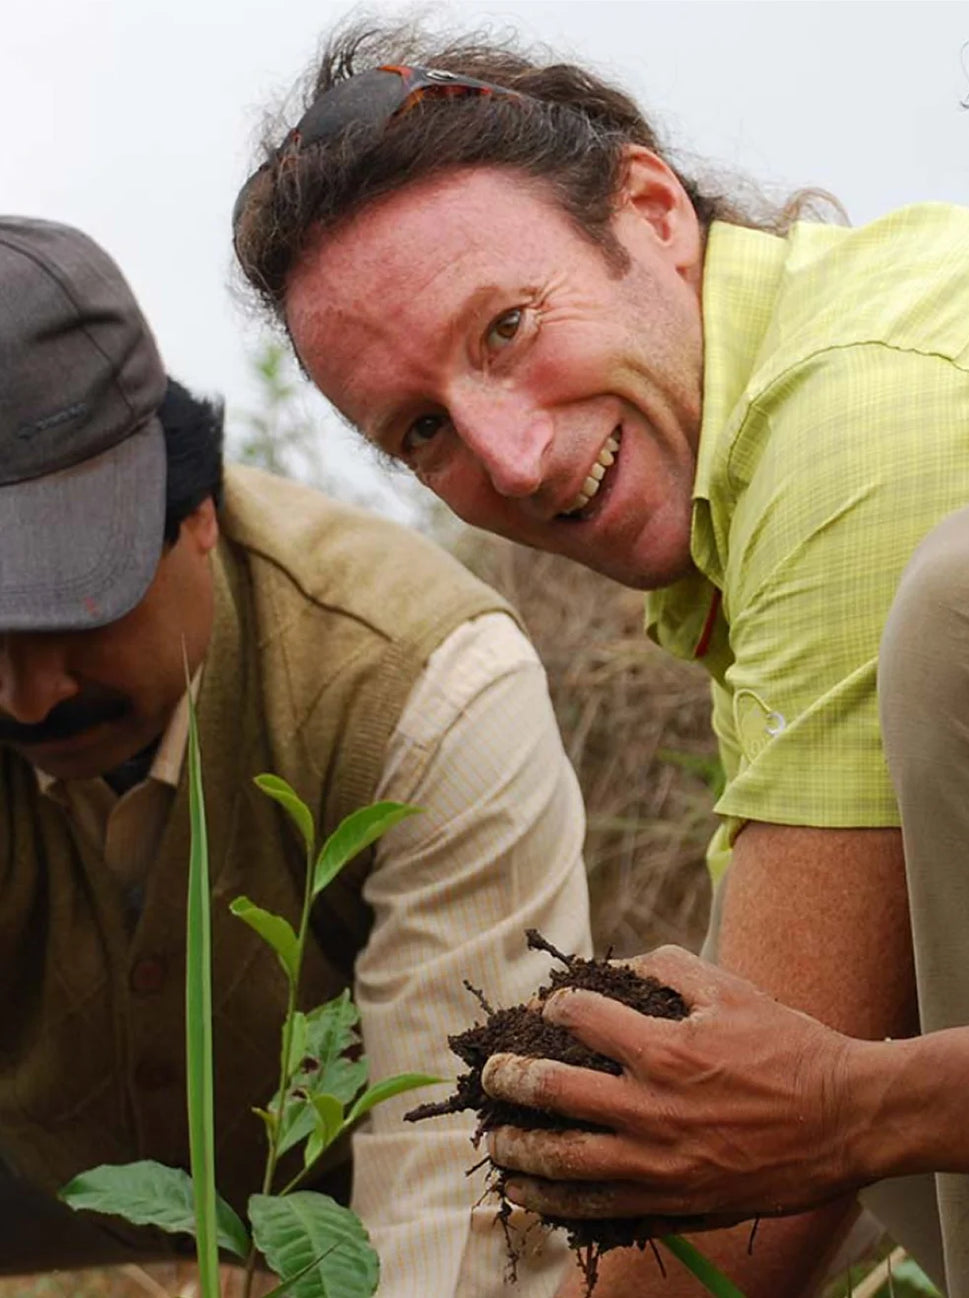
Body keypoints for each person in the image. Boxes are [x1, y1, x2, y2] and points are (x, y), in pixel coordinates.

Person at [231, 20, 969, 1297]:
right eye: (423, 432)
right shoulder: (809, 381)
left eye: (505, 327)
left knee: (814, 1047)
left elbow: (736, 1208)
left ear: (654, 210)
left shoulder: (862, 427)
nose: (507, 460)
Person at [0, 216, 590, 1297]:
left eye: (75, 614)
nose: (29, 694)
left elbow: (454, 1215)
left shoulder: (421, 687)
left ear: (197, 516)